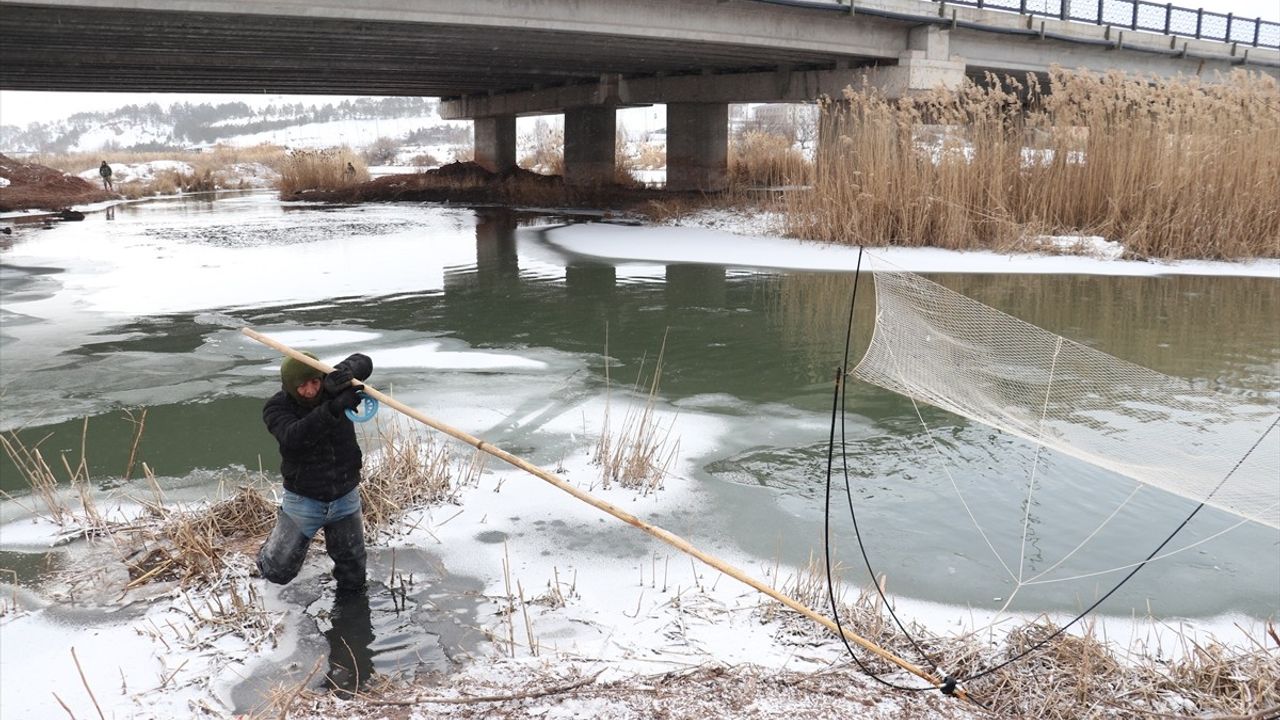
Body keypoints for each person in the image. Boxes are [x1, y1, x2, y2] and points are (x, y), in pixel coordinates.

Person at [257, 351, 374, 595]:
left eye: (315, 382)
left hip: (345, 494)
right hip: (304, 499)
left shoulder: (331, 388)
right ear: (290, 386)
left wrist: (344, 372)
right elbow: (294, 437)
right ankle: (265, 555)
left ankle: (350, 620)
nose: (310, 390)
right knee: (278, 572)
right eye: (302, 386)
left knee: (353, 574)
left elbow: (364, 361)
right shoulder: (276, 407)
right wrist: (332, 409)